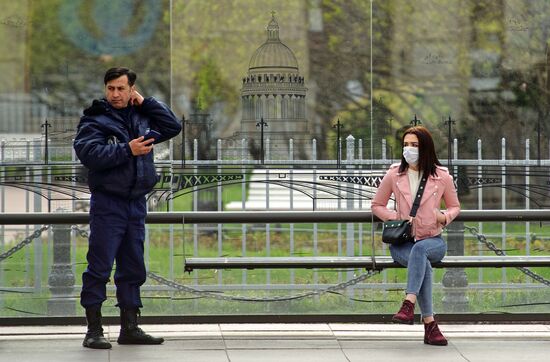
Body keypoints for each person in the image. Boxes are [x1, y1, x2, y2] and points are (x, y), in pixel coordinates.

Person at [73, 67, 182, 349]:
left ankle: (130, 327)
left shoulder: (141, 116)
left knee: (133, 266)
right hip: (108, 203)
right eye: (111, 88)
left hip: (135, 203)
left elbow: (173, 127)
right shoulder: (95, 120)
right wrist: (127, 149)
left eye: (121, 89)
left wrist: (147, 103)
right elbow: (89, 153)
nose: (115, 94)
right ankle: (93, 330)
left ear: (131, 89)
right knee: (99, 267)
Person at [372, 126, 460, 346]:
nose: (408, 149)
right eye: (406, 144)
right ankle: (430, 325)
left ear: (425, 148)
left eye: (414, 145)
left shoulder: (442, 177)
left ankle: (408, 303)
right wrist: (397, 217)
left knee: (421, 251)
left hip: (433, 241)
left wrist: (443, 217)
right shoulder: (394, 174)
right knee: (423, 265)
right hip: (403, 243)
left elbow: (455, 206)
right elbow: (377, 205)